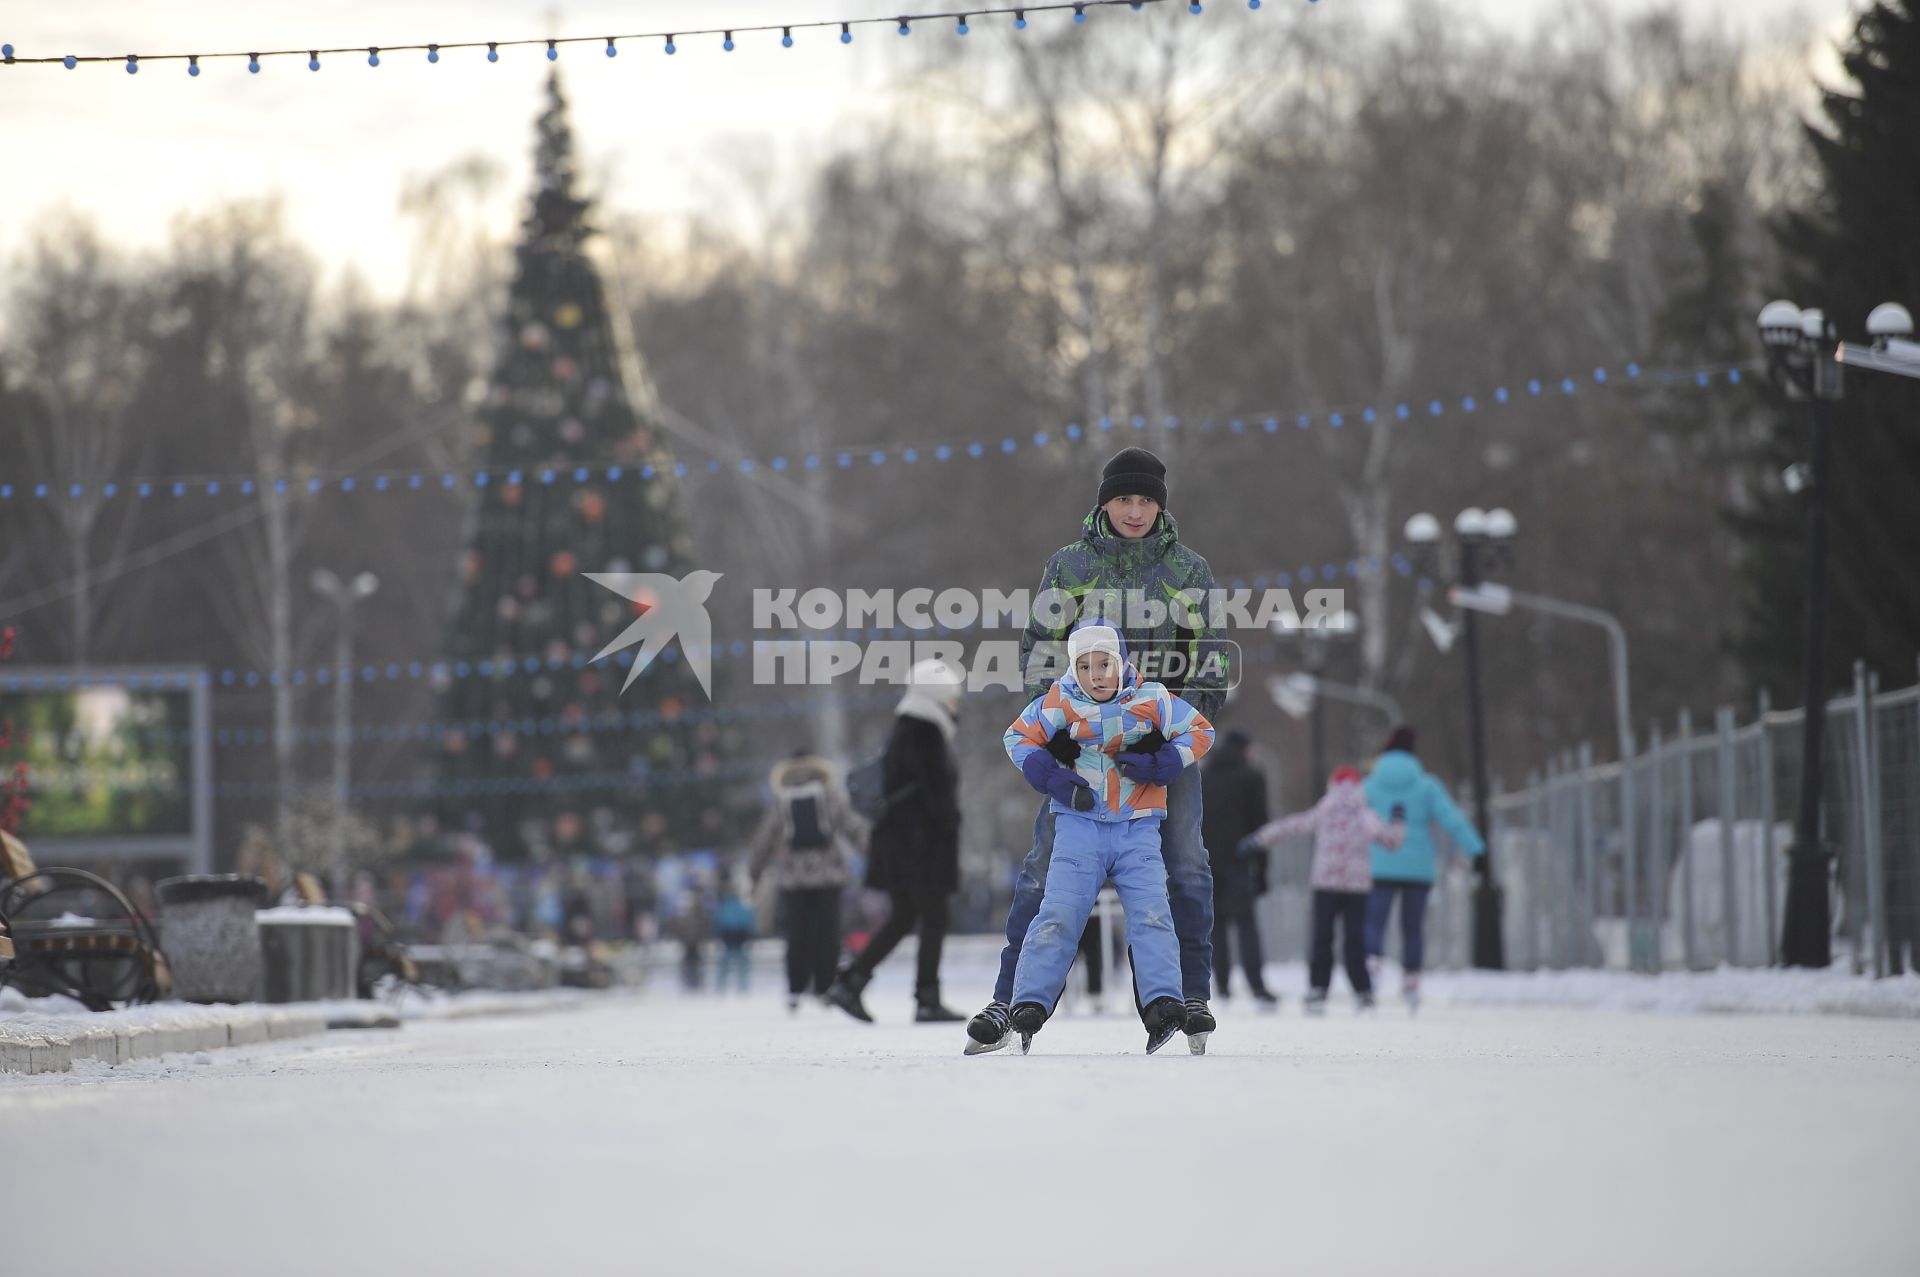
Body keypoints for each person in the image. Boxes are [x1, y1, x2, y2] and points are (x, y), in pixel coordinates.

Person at [970, 446, 1228, 1054]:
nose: (1134, 511)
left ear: (1160, 506)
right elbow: (1039, 648)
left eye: (1145, 501)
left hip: (1157, 745)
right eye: (1123, 499)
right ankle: (1010, 1000)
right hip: (1081, 751)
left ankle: (1189, 997)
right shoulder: (1069, 566)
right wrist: (1055, 728)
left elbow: (1211, 658)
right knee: (1045, 867)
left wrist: (1172, 741)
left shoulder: (1189, 571)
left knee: (1186, 861)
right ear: (1104, 503)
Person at [992, 622, 1213, 1054]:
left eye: (1105, 664)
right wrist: (1047, 773)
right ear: (1074, 670)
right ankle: (1029, 1001)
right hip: (1079, 828)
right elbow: (1016, 736)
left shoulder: (1152, 699)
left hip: (1138, 828)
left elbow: (1201, 730)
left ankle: (1163, 1002)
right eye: (1086, 666)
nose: (1096, 675)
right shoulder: (1060, 702)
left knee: (1152, 913)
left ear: (1121, 663)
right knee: (1059, 912)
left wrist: (1167, 761)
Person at [825, 659, 965, 1024]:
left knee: (904, 916)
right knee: (934, 916)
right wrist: (950, 822)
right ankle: (926, 999)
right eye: (951, 696)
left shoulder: (907, 728)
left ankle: (852, 982)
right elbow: (937, 793)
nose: (955, 704)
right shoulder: (926, 732)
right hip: (919, 845)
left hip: (900, 842)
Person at [1241, 766, 1406, 1012]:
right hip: (1356, 886)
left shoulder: (1326, 808)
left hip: (1325, 883)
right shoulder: (1364, 813)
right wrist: (1398, 820)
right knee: (1355, 940)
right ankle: (1363, 991)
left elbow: (1293, 826)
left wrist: (1257, 839)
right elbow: (1390, 840)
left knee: (1322, 938)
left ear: (1333, 784)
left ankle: (1318, 989)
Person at [1362, 726, 1486, 1011]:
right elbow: (1450, 818)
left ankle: (1371, 973)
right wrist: (1476, 849)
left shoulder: (1369, 785)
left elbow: (1354, 819)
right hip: (1418, 868)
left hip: (1379, 864)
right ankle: (1411, 982)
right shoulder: (1426, 785)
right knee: (1413, 927)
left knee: (1373, 923)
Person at [749, 752, 863, 1011]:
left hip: (792, 877)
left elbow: (765, 838)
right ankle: (825, 985)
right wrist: (873, 850)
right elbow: (851, 825)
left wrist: (755, 872)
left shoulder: (781, 798)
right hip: (829, 874)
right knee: (828, 932)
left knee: (797, 934)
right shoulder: (829, 794)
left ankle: (795, 987)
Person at [1202, 730, 1277, 1006]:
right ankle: (1257, 986)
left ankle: (1222, 987)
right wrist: (1263, 869)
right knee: (1246, 924)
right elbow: (1260, 825)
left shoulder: (1204, 776)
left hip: (1207, 862)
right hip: (1239, 861)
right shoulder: (1251, 777)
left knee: (1216, 925)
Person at [713, 873, 756, 994]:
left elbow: (718, 922)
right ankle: (738, 985)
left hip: (732, 936)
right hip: (735, 936)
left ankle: (727, 985)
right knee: (735, 962)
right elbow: (748, 921)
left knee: (729, 962)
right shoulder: (736, 906)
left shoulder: (727, 906)